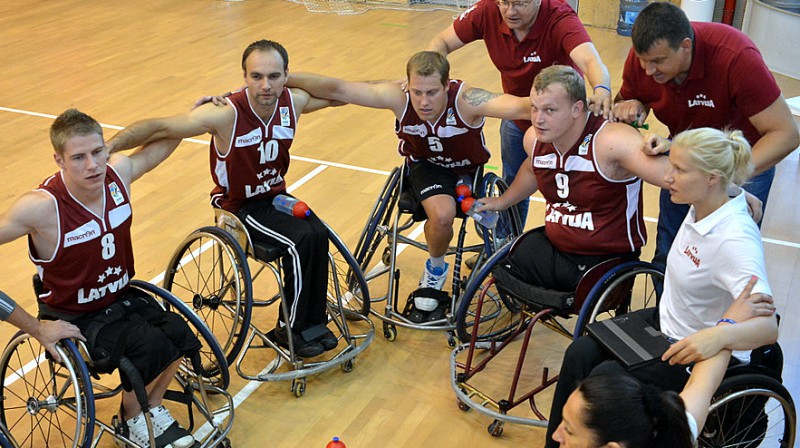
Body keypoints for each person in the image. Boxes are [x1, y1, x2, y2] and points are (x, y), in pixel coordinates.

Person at [544, 127, 780, 447]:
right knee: (580, 352)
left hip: (692, 347)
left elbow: (767, 327)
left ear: (712, 178)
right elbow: (728, 189)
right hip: (665, 324)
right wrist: (736, 190)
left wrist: (718, 335)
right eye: (672, 164)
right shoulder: (706, 200)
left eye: (679, 170)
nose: (668, 176)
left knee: (603, 386)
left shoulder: (735, 240)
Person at [106, 39, 339, 359]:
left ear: (287, 75)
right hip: (238, 207)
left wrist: (402, 88)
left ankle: (313, 321)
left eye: (274, 76)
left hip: (275, 197)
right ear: (244, 76)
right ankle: (292, 328)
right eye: (256, 76)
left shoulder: (292, 101)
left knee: (318, 232)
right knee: (299, 241)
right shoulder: (224, 113)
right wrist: (107, 149)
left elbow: (337, 94)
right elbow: (161, 126)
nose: (265, 85)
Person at [0, 109, 197, 448]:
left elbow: (168, 135)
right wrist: (36, 327)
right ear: (58, 160)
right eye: (78, 157)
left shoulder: (118, 173)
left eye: (97, 152)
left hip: (121, 299)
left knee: (181, 333)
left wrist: (194, 114)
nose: (92, 165)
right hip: (75, 318)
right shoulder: (39, 208)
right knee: (151, 344)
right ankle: (133, 417)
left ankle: (147, 407)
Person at [285, 50, 530, 316]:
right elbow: (339, 88)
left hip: (468, 171)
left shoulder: (467, 100)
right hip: (427, 168)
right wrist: (283, 79)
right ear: (407, 85)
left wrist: (576, 108)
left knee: (454, 208)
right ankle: (435, 269)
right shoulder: (398, 98)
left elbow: (520, 106)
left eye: (432, 92)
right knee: (443, 214)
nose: (423, 102)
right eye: (417, 92)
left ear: (447, 86)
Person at [611, 1, 799, 275]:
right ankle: (665, 318)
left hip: (742, 162)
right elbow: (628, 99)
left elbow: (787, 134)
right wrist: (632, 105)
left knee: (726, 264)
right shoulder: (644, 60)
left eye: (658, 62)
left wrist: (727, 178)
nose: (648, 71)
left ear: (685, 46)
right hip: (685, 158)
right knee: (669, 253)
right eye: (643, 61)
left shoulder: (735, 56)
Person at [477, 65, 670, 293]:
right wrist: (502, 202)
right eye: (534, 108)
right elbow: (532, 170)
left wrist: (674, 147)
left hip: (604, 261)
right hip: (557, 249)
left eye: (550, 110)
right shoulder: (534, 139)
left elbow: (671, 177)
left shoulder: (613, 141)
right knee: (501, 263)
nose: (538, 119)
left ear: (577, 109)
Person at [428, 0, 613, 229]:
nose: (510, 11)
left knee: (568, 194)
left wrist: (602, 89)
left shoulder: (559, 16)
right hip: (518, 117)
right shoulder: (487, 11)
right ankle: (507, 250)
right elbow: (441, 41)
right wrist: (430, 78)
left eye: (520, 3)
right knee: (514, 182)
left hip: (560, 125)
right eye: (504, 2)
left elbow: (591, 60)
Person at [552, 276, 775, 448]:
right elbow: (701, 386)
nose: (555, 435)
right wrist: (728, 323)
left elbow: (701, 386)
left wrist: (727, 326)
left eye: (569, 430)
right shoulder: (675, 434)